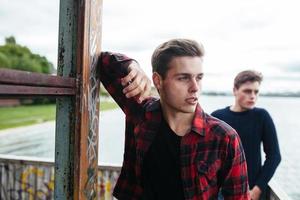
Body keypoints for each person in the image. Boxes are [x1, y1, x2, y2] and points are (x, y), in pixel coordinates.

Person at [99, 39, 250, 199]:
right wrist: (131, 65)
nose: (195, 88)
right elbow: (103, 62)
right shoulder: (140, 113)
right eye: (183, 78)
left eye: (199, 77)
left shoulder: (224, 137)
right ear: (158, 81)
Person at [211, 70, 281, 200]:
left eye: (256, 92)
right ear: (235, 90)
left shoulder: (262, 116)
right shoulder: (217, 117)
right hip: (221, 191)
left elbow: (274, 156)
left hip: (251, 190)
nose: (253, 96)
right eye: (247, 91)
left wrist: (258, 188)